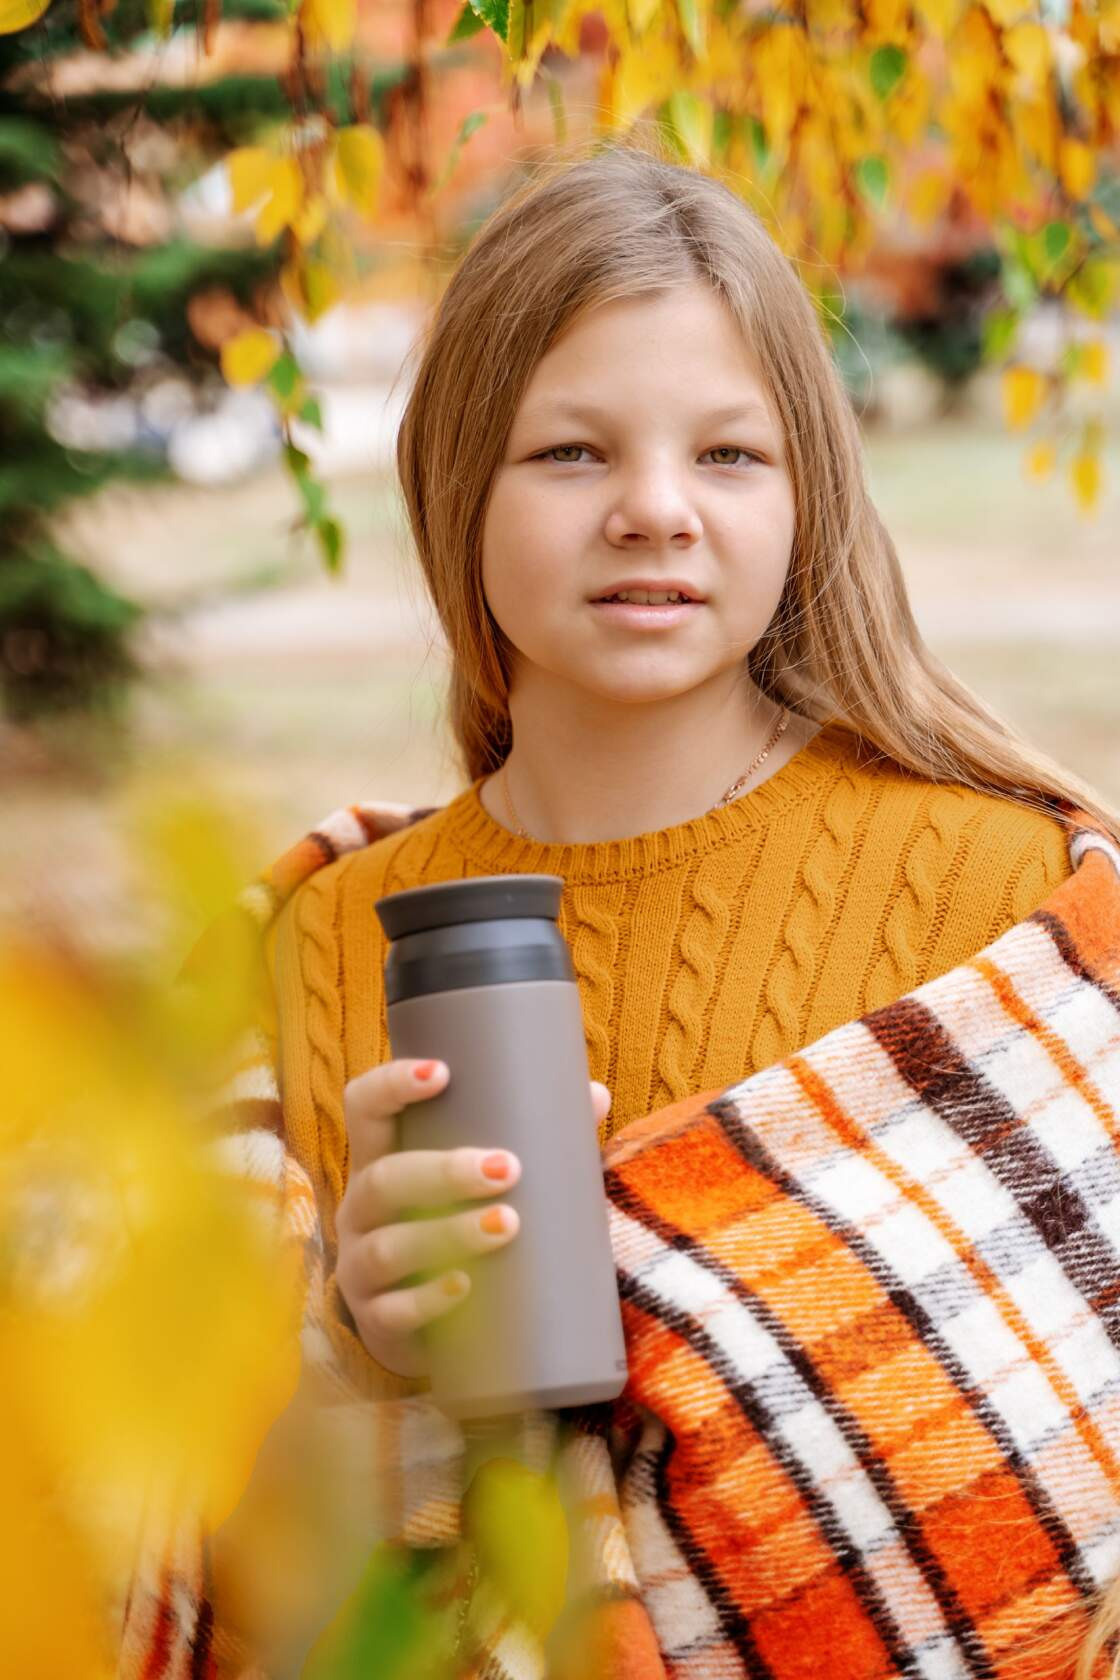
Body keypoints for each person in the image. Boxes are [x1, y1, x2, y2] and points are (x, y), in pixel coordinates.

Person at [135, 135, 1120, 1677]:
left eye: (729, 455)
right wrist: (358, 1348)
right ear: (458, 480)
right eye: (571, 453)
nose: (656, 511)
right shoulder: (317, 941)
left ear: (811, 492)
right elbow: (201, 1555)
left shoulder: (1003, 902)